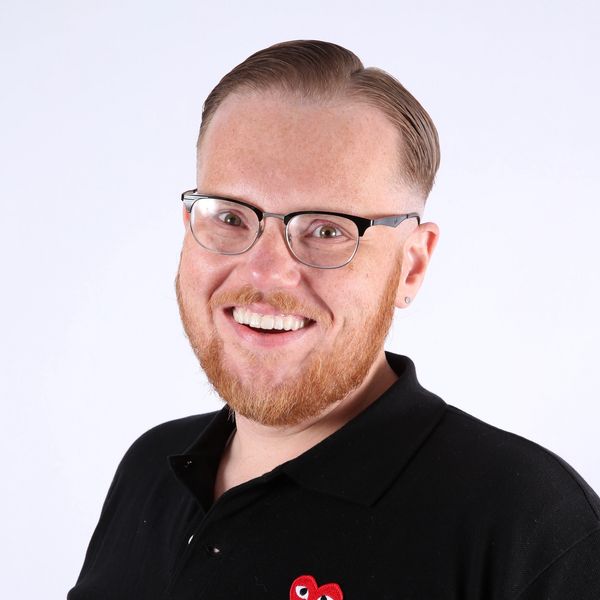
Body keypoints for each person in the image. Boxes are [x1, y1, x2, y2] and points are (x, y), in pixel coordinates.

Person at [68, 40, 600, 599]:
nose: (265, 274)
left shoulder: (530, 525)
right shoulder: (150, 469)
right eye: (229, 216)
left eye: (327, 230)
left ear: (411, 266)